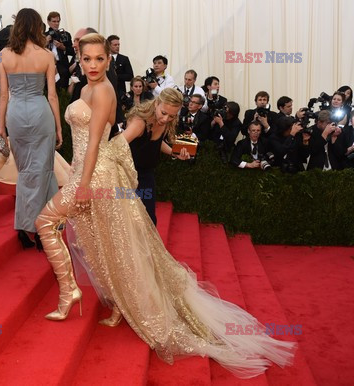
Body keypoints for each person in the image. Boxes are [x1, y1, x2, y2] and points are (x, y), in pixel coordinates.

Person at [35, 33, 296, 379]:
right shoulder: (87, 90)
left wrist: (85, 184)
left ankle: (71, 292)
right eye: (87, 59)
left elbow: (100, 143)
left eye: (100, 59)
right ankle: (108, 303)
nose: (94, 65)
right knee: (105, 243)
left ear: (109, 60)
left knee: (56, 225)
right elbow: (101, 144)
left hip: (93, 178)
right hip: (92, 172)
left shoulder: (102, 92)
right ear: (78, 60)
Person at [0, 8, 62, 248]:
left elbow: (3, 95)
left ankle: (27, 227)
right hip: (40, 112)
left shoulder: (3, 55)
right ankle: (41, 228)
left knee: (26, 173)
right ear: (37, 27)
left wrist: (1, 127)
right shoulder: (46, 55)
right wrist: (58, 127)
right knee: (43, 171)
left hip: (16, 114)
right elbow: (52, 96)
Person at [123, 88, 190, 224]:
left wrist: (174, 152)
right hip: (127, 175)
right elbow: (117, 145)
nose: (166, 119)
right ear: (156, 104)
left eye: (172, 116)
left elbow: (156, 143)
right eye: (164, 113)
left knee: (149, 219)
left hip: (146, 174)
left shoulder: (164, 122)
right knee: (128, 220)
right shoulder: (140, 122)